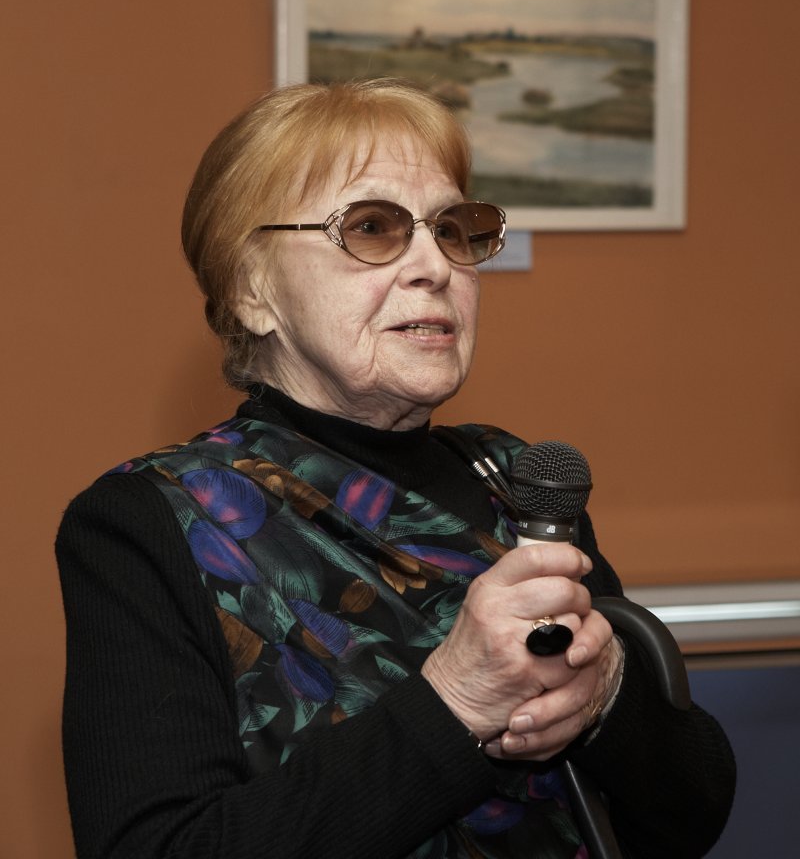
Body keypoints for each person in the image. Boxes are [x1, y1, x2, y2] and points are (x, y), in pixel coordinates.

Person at [57, 78, 735, 859]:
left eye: (452, 229)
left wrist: (610, 695)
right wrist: (454, 705)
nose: (434, 266)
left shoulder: (516, 480)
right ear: (251, 291)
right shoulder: (152, 521)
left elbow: (692, 814)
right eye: (372, 228)